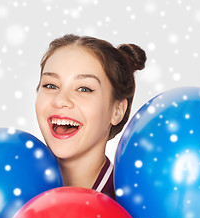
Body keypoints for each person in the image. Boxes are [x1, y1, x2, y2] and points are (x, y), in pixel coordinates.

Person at [35, 34, 146, 200]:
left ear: (117, 111)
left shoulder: (131, 208)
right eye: (50, 85)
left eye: (84, 89)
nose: (60, 100)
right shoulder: (12, 188)